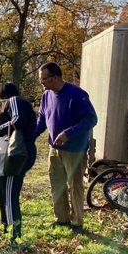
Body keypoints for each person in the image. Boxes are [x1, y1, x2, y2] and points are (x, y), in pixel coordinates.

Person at [35, 62, 97, 233]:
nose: (42, 84)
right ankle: (62, 219)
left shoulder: (77, 94)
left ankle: (77, 222)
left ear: (55, 77)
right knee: (57, 184)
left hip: (75, 150)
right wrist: (29, 137)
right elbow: (41, 120)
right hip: (54, 149)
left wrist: (69, 133)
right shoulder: (46, 95)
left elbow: (91, 119)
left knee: (74, 186)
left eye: (43, 80)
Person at [0, 83, 37, 240]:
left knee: (9, 194)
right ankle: (6, 228)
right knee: (1, 192)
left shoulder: (14, 100)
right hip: (11, 155)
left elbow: (18, 120)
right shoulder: (15, 104)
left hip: (16, 154)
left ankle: (15, 235)